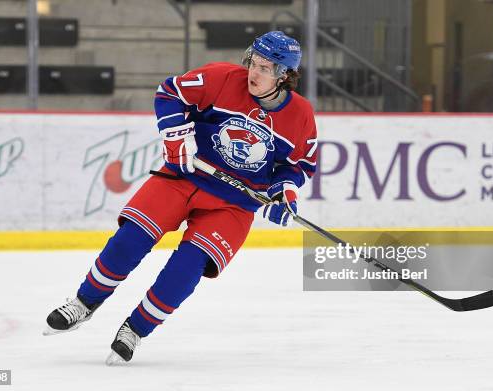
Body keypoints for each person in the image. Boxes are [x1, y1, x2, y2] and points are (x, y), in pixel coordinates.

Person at [44, 30, 318, 365]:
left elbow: (298, 166)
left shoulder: (301, 115)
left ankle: (135, 330)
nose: (254, 73)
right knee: (130, 239)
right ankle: (85, 303)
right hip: (183, 176)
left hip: (233, 204)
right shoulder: (221, 77)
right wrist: (176, 135)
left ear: (285, 75)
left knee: (186, 267)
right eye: (254, 63)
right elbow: (169, 92)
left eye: (265, 68)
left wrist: (282, 195)